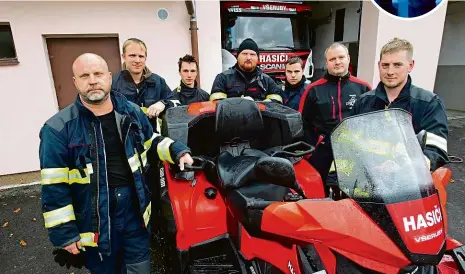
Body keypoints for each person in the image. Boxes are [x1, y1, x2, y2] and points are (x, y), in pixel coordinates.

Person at [39, 53, 194, 273]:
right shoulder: (57, 129)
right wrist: (64, 234)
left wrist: (177, 151)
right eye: (84, 76)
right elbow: (54, 187)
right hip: (96, 224)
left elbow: (151, 141)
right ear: (75, 82)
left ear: (110, 77)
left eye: (98, 74)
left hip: (134, 215)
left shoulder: (130, 112)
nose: (93, 80)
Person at [350, 37, 449, 171]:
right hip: (367, 182)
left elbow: (436, 151)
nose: (390, 72)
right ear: (379, 65)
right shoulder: (363, 102)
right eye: (385, 65)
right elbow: (350, 144)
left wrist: (403, 169)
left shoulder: (428, 104)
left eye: (397, 65)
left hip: (409, 186)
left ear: (410, 65)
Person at [298, 42, 371, 184]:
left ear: (348, 58)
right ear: (326, 62)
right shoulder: (313, 90)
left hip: (355, 152)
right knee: (321, 196)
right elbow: (301, 123)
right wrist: (312, 149)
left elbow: (372, 122)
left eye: (341, 57)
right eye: (332, 59)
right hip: (323, 153)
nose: (337, 62)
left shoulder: (363, 88)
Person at [111, 38, 180, 129]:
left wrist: (162, 104)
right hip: (126, 140)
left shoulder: (158, 82)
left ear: (145, 58)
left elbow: (177, 103)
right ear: (123, 57)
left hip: (152, 138)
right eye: (132, 55)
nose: (137, 60)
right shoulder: (113, 84)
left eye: (141, 56)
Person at [210, 38, 283, 103]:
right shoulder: (223, 78)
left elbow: (277, 102)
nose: (248, 57)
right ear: (237, 56)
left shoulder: (267, 80)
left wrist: (256, 104)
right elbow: (216, 103)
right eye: (244, 54)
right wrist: (240, 103)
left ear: (258, 58)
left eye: (252, 54)